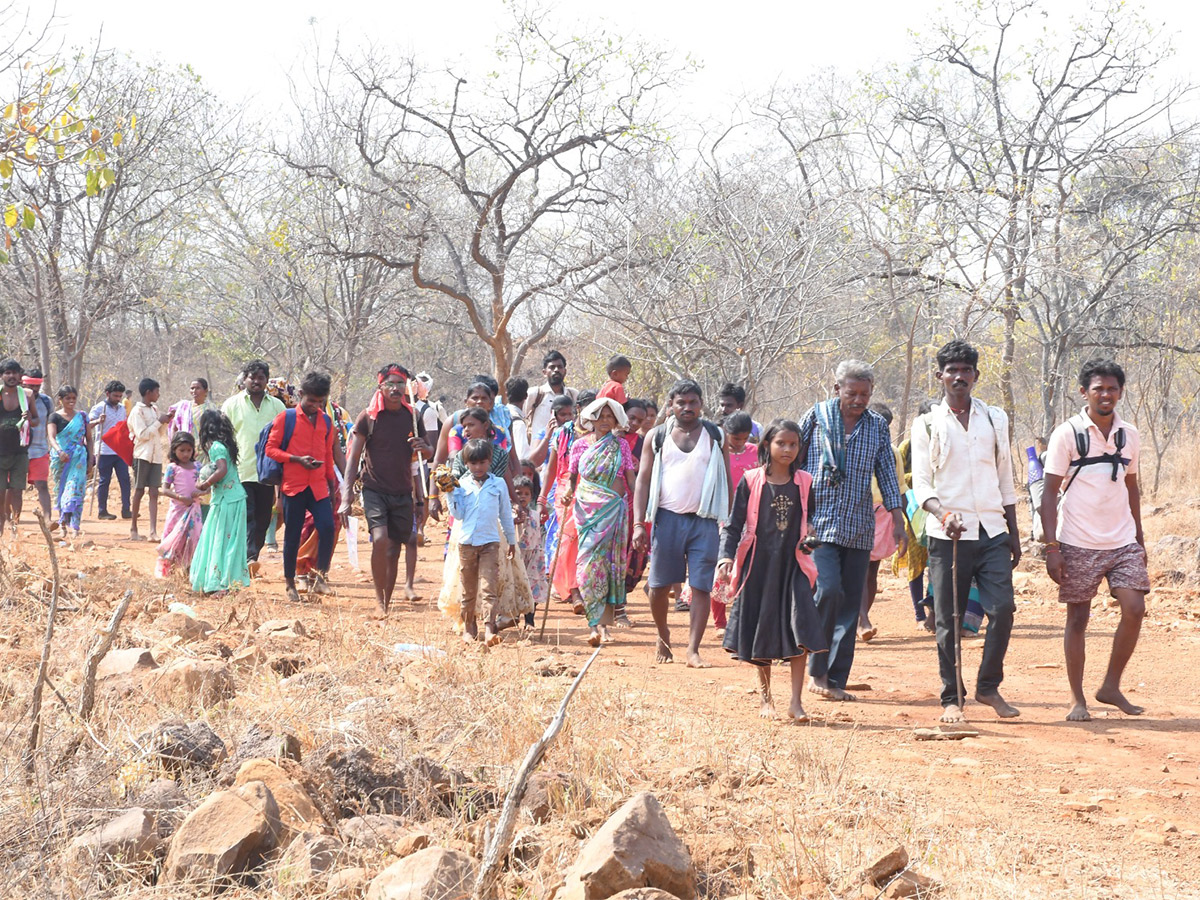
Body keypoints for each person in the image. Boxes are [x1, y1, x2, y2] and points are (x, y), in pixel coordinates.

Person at [911, 340, 1021, 724]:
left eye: (966, 370)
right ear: (940, 376)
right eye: (951, 370)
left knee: (1003, 610)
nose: (959, 376)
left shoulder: (995, 418)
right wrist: (943, 514)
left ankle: (988, 686)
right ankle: (951, 697)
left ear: (976, 375)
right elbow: (921, 484)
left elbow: (1005, 477)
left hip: (992, 530)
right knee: (949, 619)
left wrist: (1014, 533)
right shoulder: (926, 423)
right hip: (949, 536)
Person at [1040, 358, 1147, 722]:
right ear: (1084, 392)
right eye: (1098, 388)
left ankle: (1111, 686)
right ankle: (1076, 698)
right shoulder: (1067, 433)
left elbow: (1132, 486)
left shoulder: (1129, 433)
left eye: (1112, 388)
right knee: (1078, 619)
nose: (1106, 395)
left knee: (1134, 608)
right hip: (1078, 540)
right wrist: (1052, 547)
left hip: (1122, 540)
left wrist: (1140, 538)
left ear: (1120, 392)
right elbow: (1049, 493)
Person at [798, 360, 905, 702]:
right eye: (852, 393)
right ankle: (815, 667)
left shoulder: (876, 426)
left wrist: (898, 519)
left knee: (848, 603)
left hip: (859, 526)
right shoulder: (815, 417)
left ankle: (834, 678)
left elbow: (887, 472)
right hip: (818, 523)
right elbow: (793, 459)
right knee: (828, 591)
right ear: (837, 390)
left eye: (865, 394)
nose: (859, 400)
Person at [715, 419, 828, 721]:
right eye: (781, 443)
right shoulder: (751, 480)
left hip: (794, 567)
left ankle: (796, 701)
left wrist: (811, 540)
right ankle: (766, 699)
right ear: (767, 445)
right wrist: (726, 557)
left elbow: (811, 520)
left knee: (801, 627)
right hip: (759, 565)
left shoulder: (805, 481)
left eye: (793, 444)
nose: (788, 449)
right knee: (761, 630)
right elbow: (734, 523)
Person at [632, 379, 731, 668]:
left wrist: (730, 523)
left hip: (705, 522)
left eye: (693, 402)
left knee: (701, 586)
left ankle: (693, 649)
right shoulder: (656, 436)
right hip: (667, 520)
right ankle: (663, 636)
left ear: (701, 404)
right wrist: (639, 523)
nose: (687, 407)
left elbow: (726, 479)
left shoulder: (715, 435)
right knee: (659, 586)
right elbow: (643, 480)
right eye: (681, 402)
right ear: (671, 405)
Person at [340, 364, 432, 617]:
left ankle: (385, 603)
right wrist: (346, 496)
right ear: (380, 387)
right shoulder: (368, 417)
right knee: (380, 540)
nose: (395, 388)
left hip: (403, 491)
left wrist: (422, 445)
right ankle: (379, 602)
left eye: (400, 384)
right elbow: (353, 457)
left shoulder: (412, 415)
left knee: (394, 548)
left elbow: (429, 453)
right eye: (389, 384)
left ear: (407, 388)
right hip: (374, 489)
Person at [264, 371, 347, 604]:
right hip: (293, 486)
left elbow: (328, 455)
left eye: (320, 402)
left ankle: (321, 577)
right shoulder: (286, 418)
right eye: (311, 400)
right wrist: (296, 459)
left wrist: (332, 485)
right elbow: (271, 449)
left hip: (320, 486)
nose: (315, 406)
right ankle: (290, 583)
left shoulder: (326, 421)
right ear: (301, 395)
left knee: (327, 529)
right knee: (292, 536)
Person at [562, 397, 637, 646]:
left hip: (614, 510)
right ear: (591, 419)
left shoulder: (621, 446)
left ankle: (603, 626)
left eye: (610, 417)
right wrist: (566, 493)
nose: (605, 421)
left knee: (609, 566)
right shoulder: (580, 446)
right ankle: (593, 624)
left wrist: (642, 504)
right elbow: (573, 477)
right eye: (601, 416)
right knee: (588, 566)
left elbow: (630, 478)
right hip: (587, 512)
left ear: (616, 421)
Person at [445, 439, 518, 645]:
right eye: (473, 463)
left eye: (482, 463)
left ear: (490, 461)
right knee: (468, 588)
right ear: (467, 463)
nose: (478, 468)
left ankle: (489, 628)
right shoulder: (461, 485)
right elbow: (458, 515)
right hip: (467, 543)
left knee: (489, 586)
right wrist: (450, 493)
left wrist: (511, 541)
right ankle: (469, 627)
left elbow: (505, 514)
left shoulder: (498, 484)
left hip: (490, 542)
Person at [222, 360, 286, 576]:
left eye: (261, 378)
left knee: (263, 517)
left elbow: (284, 438)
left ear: (267, 381)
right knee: (246, 515)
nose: (256, 381)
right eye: (252, 377)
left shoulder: (278, 407)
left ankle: (252, 557)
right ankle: (246, 557)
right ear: (244, 379)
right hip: (240, 470)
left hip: (268, 473)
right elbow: (223, 438)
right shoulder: (231, 405)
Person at [540, 390, 596, 602]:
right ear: (579, 409)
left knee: (586, 540)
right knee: (568, 538)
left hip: (593, 491)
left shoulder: (603, 433)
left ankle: (583, 586)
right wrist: (542, 497)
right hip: (567, 490)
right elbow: (552, 466)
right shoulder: (564, 432)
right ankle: (572, 588)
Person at [191, 410, 250, 594]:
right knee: (231, 541)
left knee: (220, 540)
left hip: (226, 500)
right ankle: (229, 581)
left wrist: (205, 484)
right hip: (233, 497)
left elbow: (222, 470)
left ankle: (219, 583)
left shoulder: (216, 447)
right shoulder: (226, 445)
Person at [858, 402, 904, 643]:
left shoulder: (893, 452)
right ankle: (862, 620)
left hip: (883, 515)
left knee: (872, 570)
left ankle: (862, 617)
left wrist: (902, 521)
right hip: (857, 513)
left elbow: (899, 487)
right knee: (857, 567)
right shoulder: (855, 445)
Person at [896, 399, 936, 632]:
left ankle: (934, 613)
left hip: (939, 510)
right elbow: (899, 478)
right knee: (916, 563)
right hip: (913, 511)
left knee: (937, 563)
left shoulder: (945, 442)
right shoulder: (906, 448)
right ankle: (919, 614)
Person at [128, 377, 171, 541]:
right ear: (148, 392)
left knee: (154, 491)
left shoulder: (154, 409)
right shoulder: (136, 411)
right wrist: (158, 422)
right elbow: (142, 434)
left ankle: (153, 531)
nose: (158, 395)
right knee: (139, 491)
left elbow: (159, 433)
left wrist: (165, 422)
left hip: (156, 455)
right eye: (156, 392)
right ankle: (134, 528)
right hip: (142, 454)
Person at [0, 359, 39, 537]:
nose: (11, 376)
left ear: (20, 375)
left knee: (16, 491)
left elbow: (37, 421)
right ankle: (1, 526)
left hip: (20, 452)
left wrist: (29, 417)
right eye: (8, 373)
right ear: (2, 376)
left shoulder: (27, 395)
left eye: (15, 372)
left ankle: (15, 527)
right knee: (1, 492)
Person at [47, 385, 92, 537]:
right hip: (61, 459)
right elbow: (52, 437)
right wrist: (60, 451)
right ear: (61, 400)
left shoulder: (82, 417)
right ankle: (62, 525)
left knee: (75, 490)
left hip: (79, 459)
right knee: (61, 490)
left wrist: (91, 458)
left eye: (74, 398)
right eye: (68, 398)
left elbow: (89, 439)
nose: (71, 401)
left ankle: (75, 526)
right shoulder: (54, 417)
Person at [157, 432, 203, 578]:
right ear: (174, 450)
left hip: (194, 510)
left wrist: (200, 493)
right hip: (178, 510)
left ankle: (190, 569)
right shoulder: (172, 468)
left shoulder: (198, 466)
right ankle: (167, 570)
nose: (185, 454)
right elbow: (164, 489)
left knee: (194, 537)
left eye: (189, 450)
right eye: (182, 450)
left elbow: (205, 487)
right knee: (173, 538)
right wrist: (180, 498)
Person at [90, 380, 132, 521]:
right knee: (104, 480)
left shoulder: (121, 408)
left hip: (119, 451)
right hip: (103, 450)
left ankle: (126, 509)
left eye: (120, 396)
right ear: (107, 394)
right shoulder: (98, 408)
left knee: (125, 480)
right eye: (115, 396)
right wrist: (97, 422)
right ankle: (102, 511)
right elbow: (86, 425)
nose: (118, 399)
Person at [513, 474, 547, 628]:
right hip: (516, 555)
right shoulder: (510, 514)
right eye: (518, 493)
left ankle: (529, 620)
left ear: (531, 496)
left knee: (532, 586)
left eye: (526, 494)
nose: (522, 497)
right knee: (515, 584)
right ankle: (513, 616)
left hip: (533, 555)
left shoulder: (535, 515)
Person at [524, 350, 578, 445]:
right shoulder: (535, 394)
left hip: (566, 451)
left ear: (565, 371)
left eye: (560, 367)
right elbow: (523, 417)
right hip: (539, 452)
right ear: (544, 372)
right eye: (552, 367)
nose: (556, 370)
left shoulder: (573, 394)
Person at [23, 370, 55, 522]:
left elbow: (51, 423)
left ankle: (48, 518)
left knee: (42, 485)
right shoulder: (15, 399)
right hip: (17, 451)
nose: (34, 389)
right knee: (12, 488)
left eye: (37, 385)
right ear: (24, 383)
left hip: (40, 450)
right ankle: (10, 519)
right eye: (31, 385)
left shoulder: (46, 401)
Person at [505, 376, 530, 461]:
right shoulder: (518, 423)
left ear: (506, 394)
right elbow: (522, 456)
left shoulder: (501, 415)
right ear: (526, 396)